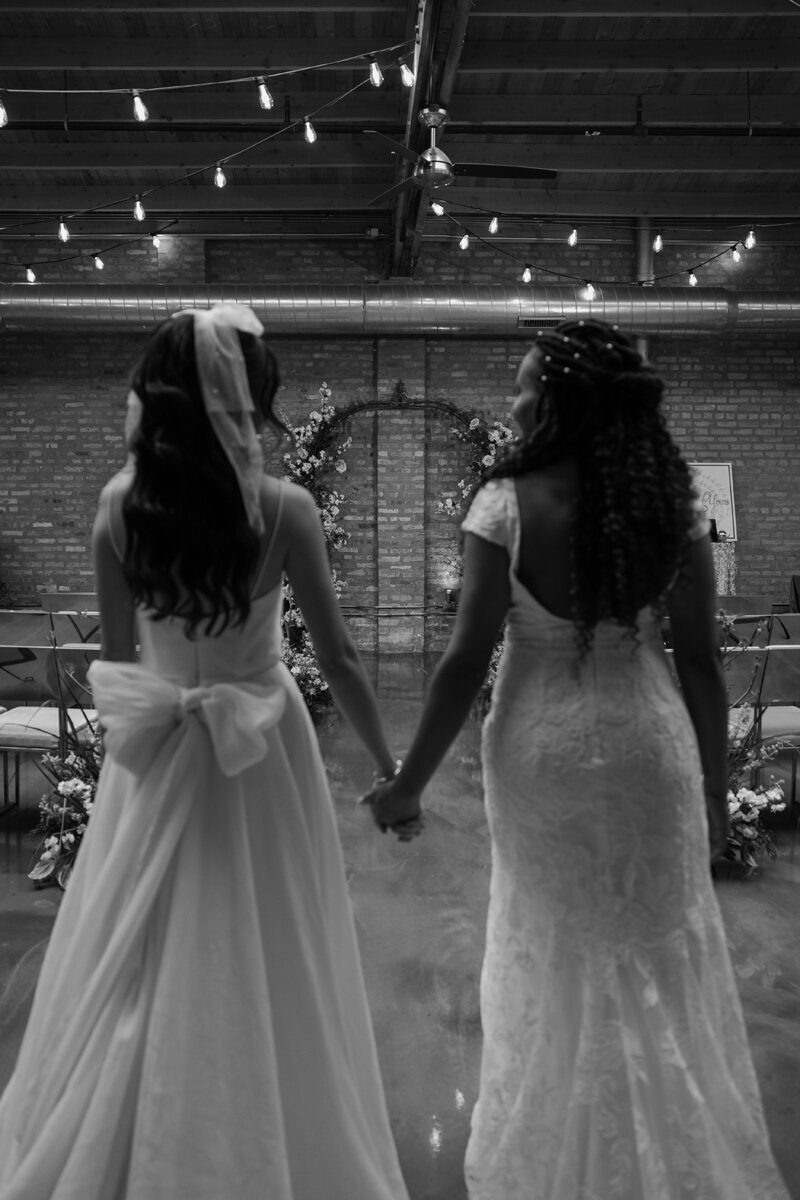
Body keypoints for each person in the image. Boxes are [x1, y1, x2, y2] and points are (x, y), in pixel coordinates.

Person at [366, 318, 790, 1200]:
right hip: (651, 750)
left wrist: (406, 786)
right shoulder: (669, 507)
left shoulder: (505, 504)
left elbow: (462, 661)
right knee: (657, 947)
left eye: (525, 385)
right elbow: (702, 664)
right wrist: (716, 798)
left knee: (552, 944)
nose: (514, 401)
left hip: (542, 757)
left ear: (562, 403)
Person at [0, 305, 414, 1200]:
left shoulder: (120, 505)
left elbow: (118, 664)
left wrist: (136, 755)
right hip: (262, 745)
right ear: (245, 396)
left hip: (154, 743)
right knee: (272, 926)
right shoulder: (285, 507)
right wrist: (389, 769)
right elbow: (339, 659)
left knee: (144, 933)